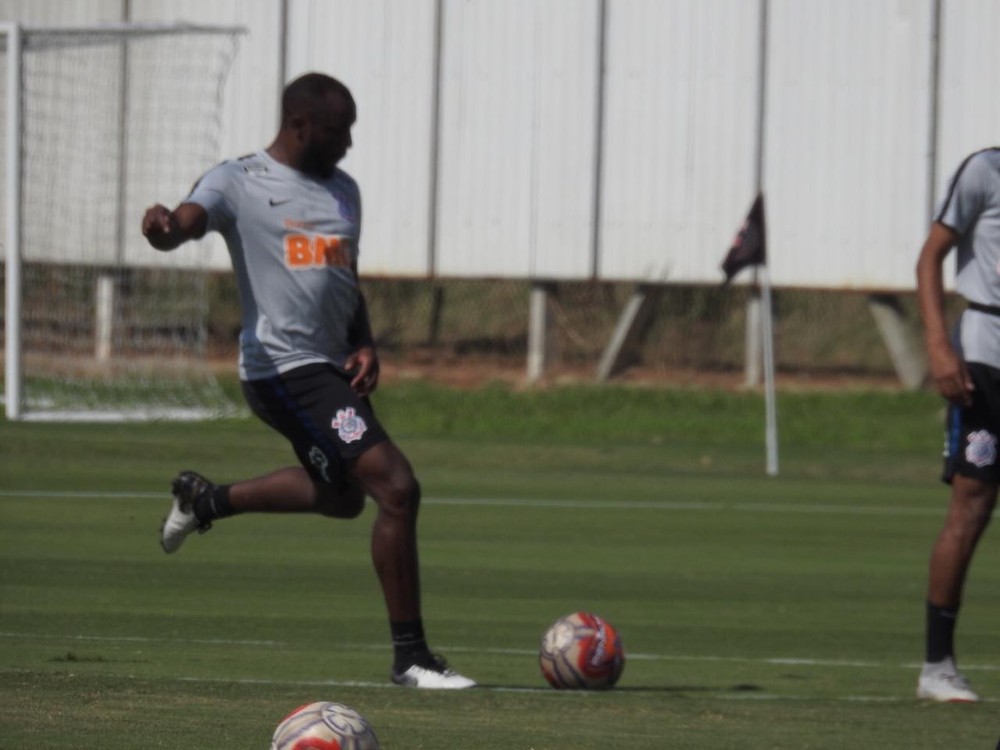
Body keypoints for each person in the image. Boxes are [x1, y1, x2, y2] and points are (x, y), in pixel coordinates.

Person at [141, 72, 475, 690]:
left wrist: (364, 341)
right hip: (283, 370)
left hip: (327, 367)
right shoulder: (238, 181)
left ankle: (205, 501)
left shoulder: (344, 191)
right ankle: (413, 659)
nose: (348, 143)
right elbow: (187, 221)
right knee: (396, 488)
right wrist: (165, 228)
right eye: (337, 131)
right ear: (299, 126)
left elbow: (343, 278)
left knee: (346, 498)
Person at [915, 146, 1000, 703]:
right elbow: (930, 258)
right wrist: (939, 345)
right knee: (972, 503)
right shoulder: (986, 170)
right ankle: (937, 666)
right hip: (987, 360)